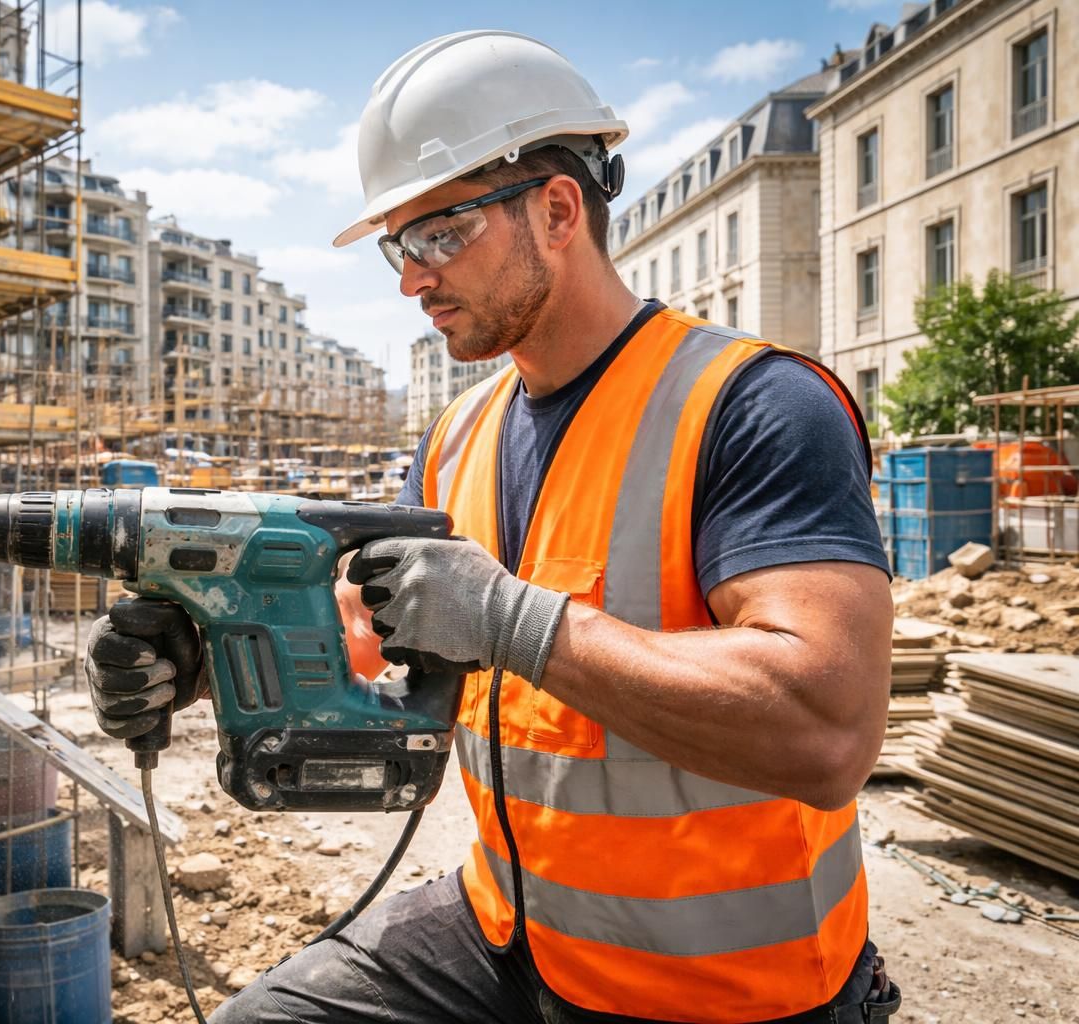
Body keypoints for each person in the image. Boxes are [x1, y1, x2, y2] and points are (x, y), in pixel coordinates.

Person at [86, 30, 902, 1024]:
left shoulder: (753, 405)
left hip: (727, 991)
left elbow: (828, 730)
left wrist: (515, 621)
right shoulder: (460, 436)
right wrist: (208, 645)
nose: (410, 279)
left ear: (558, 210)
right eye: (400, 244)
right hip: (513, 932)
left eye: (439, 235)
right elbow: (362, 623)